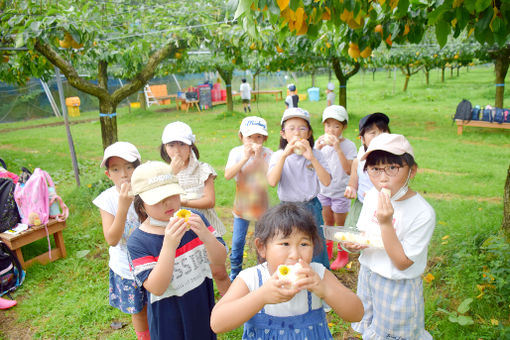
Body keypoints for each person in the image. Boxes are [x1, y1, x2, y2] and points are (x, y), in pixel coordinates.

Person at [210, 203, 364, 338]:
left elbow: (356, 313)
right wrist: (261, 297)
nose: (295, 255)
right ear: (262, 247)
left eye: (304, 244)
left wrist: (325, 290)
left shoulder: (317, 274)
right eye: (285, 244)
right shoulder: (252, 278)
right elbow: (218, 323)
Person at [343, 133, 435, 339]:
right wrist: (355, 243)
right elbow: (364, 232)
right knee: (368, 324)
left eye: (392, 168)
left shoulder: (422, 212)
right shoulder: (372, 197)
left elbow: (403, 262)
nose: (383, 177)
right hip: (368, 273)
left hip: (397, 285)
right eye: (375, 169)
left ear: (412, 171)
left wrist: (386, 223)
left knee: (393, 334)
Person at [127, 161, 227, 340]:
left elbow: (220, 259)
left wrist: (205, 235)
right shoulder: (138, 241)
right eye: (158, 199)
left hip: (201, 306)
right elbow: (157, 287)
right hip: (168, 319)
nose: (168, 203)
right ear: (141, 204)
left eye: (172, 194)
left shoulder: (196, 219)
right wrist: (169, 245)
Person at [159, 121, 230, 295]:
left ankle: (231, 304)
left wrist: (182, 202)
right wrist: (171, 174)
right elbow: (160, 199)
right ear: (164, 148)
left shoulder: (203, 170)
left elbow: (210, 201)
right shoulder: (162, 173)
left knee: (218, 271)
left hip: (205, 227)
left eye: (182, 144)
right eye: (171, 145)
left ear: (191, 146)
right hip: (179, 231)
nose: (177, 151)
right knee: (192, 273)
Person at [92, 141, 149, 340]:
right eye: (116, 169)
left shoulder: (148, 192)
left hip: (152, 261)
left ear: (138, 168)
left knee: (159, 304)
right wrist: (123, 207)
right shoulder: (107, 200)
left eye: (129, 167)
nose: (124, 174)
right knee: (139, 311)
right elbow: (112, 239)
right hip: (126, 267)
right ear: (108, 174)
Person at [267, 107, 331, 269]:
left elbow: (327, 181)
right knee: (290, 245)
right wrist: (284, 156)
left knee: (315, 244)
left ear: (308, 134)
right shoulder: (278, 155)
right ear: (283, 134)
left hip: (311, 206)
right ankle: (291, 275)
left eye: (302, 128)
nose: (297, 133)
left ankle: (319, 278)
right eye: (291, 128)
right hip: (288, 208)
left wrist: (311, 158)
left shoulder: (316, 154)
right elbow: (272, 182)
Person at [225, 116, 273, 281]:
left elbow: (270, 180)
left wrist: (258, 158)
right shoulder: (236, 153)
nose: (254, 141)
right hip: (242, 204)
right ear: (241, 137)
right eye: (249, 137)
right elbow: (228, 175)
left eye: (259, 137)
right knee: (238, 241)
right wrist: (245, 158)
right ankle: (235, 271)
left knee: (263, 239)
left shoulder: (268, 154)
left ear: (264, 138)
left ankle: (264, 269)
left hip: (261, 205)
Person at [314, 105, 357, 269]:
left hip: (340, 192)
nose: (331, 130)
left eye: (336, 126)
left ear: (344, 127)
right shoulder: (320, 142)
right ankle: (328, 250)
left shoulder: (349, 146)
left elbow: (348, 169)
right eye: (328, 125)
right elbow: (312, 164)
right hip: (323, 191)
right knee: (327, 221)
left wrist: (337, 148)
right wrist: (317, 149)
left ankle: (342, 254)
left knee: (340, 225)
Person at [344, 112, 390, 228]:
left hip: (385, 207)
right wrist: (351, 189)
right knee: (355, 239)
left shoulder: (394, 160)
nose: (379, 136)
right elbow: (353, 183)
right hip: (362, 205)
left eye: (383, 132)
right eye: (373, 133)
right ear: (362, 139)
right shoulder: (358, 161)